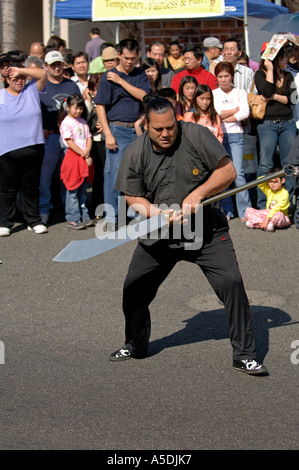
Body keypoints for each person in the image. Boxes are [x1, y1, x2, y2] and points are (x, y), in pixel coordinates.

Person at [109, 97, 267, 376]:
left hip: (206, 231)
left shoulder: (197, 135)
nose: (166, 133)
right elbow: (132, 196)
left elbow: (228, 171)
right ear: (146, 125)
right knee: (133, 290)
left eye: (170, 127)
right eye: (158, 129)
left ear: (177, 120)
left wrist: (198, 194)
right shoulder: (135, 151)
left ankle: (244, 354)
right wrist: (155, 213)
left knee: (231, 283)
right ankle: (135, 345)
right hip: (159, 234)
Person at [95, 38, 152, 230]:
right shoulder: (107, 77)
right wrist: (108, 134)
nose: (129, 61)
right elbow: (100, 106)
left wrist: (121, 81)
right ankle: (111, 217)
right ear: (119, 55)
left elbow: (144, 96)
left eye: (133, 58)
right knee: (114, 174)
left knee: (137, 174)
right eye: (126, 58)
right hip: (116, 129)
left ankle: (135, 212)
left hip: (136, 129)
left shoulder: (138, 74)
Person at [0, 63, 48, 236]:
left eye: (21, 77)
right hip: (7, 151)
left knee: (31, 187)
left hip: (33, 147)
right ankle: (5, 222)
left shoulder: (31, 91)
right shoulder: (1, 96)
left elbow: (43, 73)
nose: (19, 81)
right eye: (14, 78)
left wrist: (19, 70)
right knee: (8, 189)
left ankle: (33, 220)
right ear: (6, 79)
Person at [39, 50, 81, 225]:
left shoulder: (72, 86)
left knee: (69, 175)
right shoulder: (41, 87)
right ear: (46, 66)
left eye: (59, 64)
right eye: (53, 64)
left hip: (70, 139)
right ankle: (43, 209)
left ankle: (69, 209)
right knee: (45, 176)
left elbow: (80, 112)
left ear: (64, 65)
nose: (57, 67)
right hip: (50, 137)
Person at [254, 46, 297, 210]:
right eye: (284, 57)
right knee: (265, 163)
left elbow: (293, 99)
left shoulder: (288, 76)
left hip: (287, 123)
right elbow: (265, 90)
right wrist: (270, 69)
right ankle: (263, 205)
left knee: (289, 164)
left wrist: (273, 97)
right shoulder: (260, 74)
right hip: (267, 125)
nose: (287, 60)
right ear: (275, 59)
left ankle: (288, 203)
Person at [213, 61, 251, 221]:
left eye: (226, 76)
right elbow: (215, 113)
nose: (223, 79)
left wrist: (224, 115)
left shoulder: (240, 92)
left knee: (238, 173)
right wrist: (233, 111)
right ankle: (227, 211)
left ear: (232, 76)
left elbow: (245, 113)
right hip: (218, 136)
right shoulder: (214, 93)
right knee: (223, 174)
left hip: (236, 135)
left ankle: (245, 211)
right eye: (220, 76)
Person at [58, 94, 94, 229]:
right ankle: (72, 217)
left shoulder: (82, 121)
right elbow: (69, 141)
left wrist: (88, 150)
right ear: (68, 107)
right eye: (75, 108)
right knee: (72, 189)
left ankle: (84, 215)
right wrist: (83, 153)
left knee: (83, 189)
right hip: (73, 158)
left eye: (80, 108)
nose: (78, 111)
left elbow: (88, 137)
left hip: (83, 158)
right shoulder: (66, 122)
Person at [83, 73, 106, 217]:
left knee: (106, 176)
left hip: (106, 141)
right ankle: (96, 208)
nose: (98, 92)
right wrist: (87, 102)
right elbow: (82, 122)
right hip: (93, 143)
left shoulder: (108, 103)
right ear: (90, 90)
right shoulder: (87, 105)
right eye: (95, 89)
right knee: (96, 177)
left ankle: (106, 207)